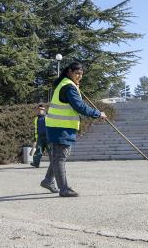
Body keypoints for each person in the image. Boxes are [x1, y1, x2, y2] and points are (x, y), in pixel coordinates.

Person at [40, 62, 107, 197]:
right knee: (60, 157)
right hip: (60, 127)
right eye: (77, 73)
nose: (79, 77)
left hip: (59, 126)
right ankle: (64, 189)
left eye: (81, 74)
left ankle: (48, 180)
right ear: (69, 71)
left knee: (57, 157)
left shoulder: (65, 84)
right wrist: (98, 114)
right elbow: (80, 107)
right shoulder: (68, 87)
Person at [30, 104, 49, 168]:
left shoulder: (47, 117)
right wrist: (35, 138)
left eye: (41, 109)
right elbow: (36, 129)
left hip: (48, 137)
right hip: (40, 137)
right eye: (38, 109)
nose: (39, 111)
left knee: (51, 150)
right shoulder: (36, 119)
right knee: (38, 150)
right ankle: (36, 163)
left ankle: (54, 164)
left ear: (44, 110)